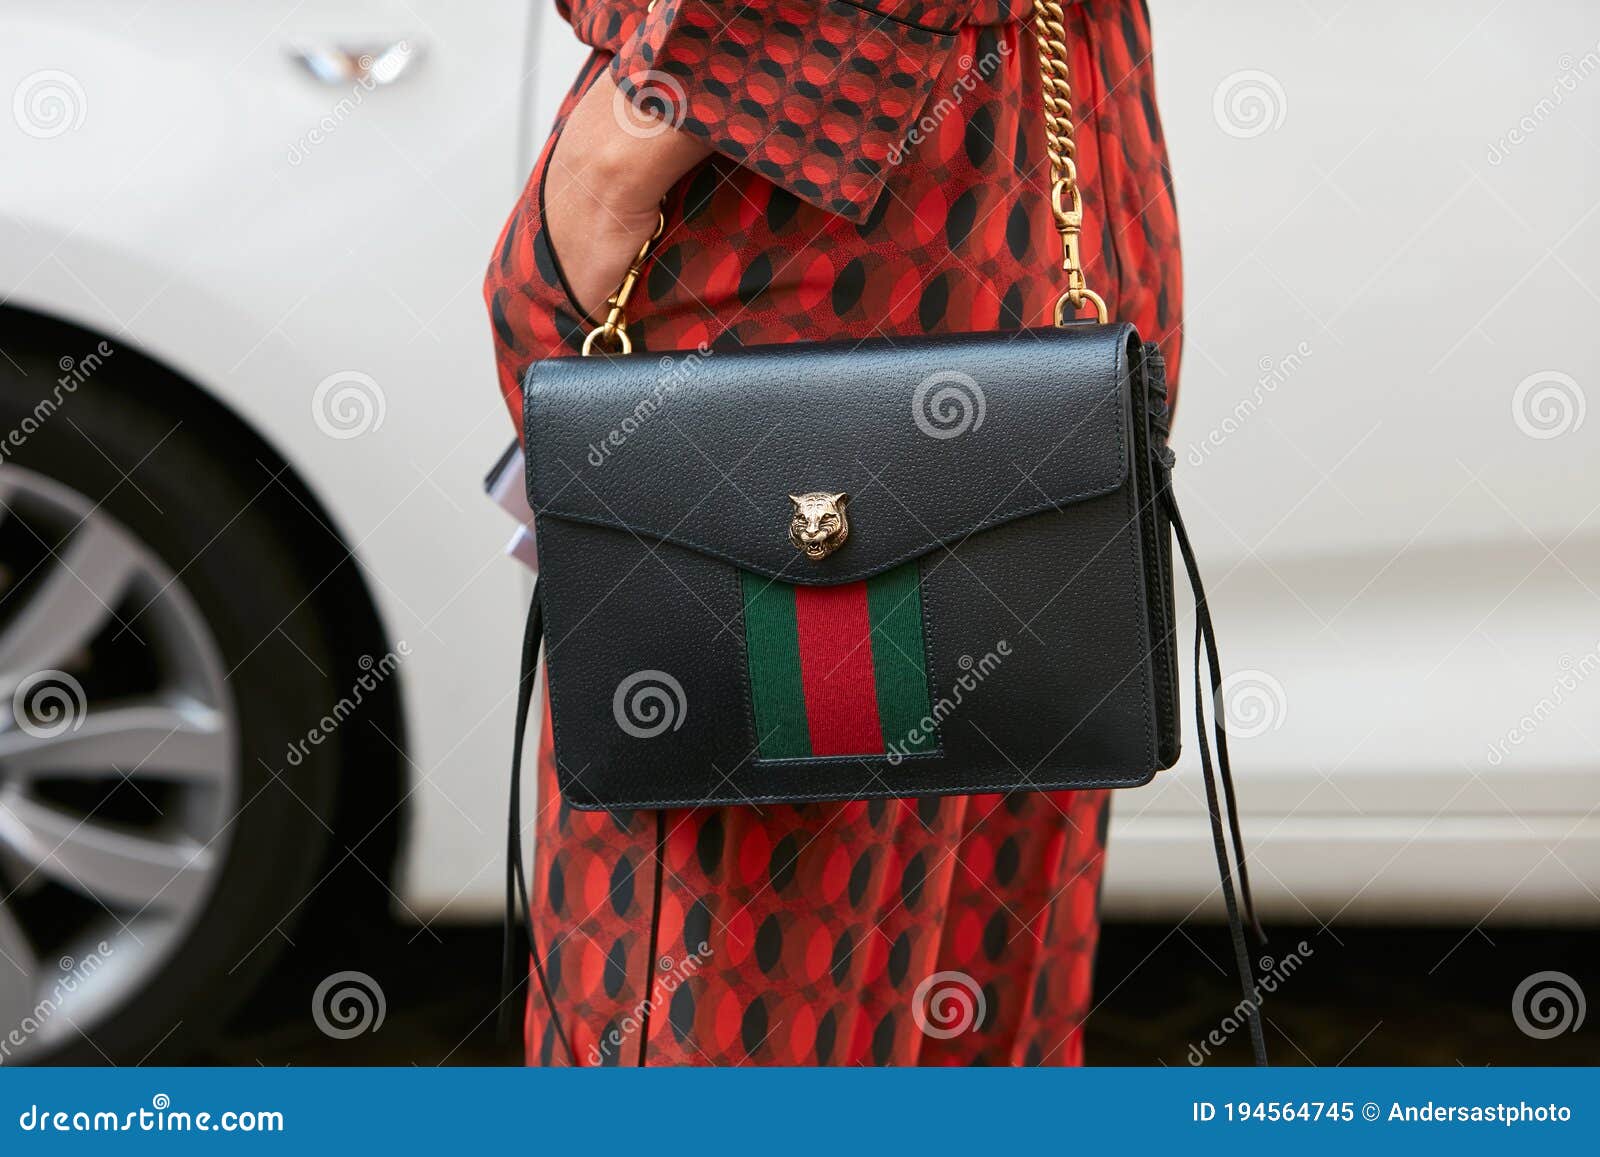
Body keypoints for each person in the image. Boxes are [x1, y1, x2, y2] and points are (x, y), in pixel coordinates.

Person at [483, 0, 1182, 1066]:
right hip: (1008, 193)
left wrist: (616, 155)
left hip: (816, 205)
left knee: (726, 1007)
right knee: (961, 969)